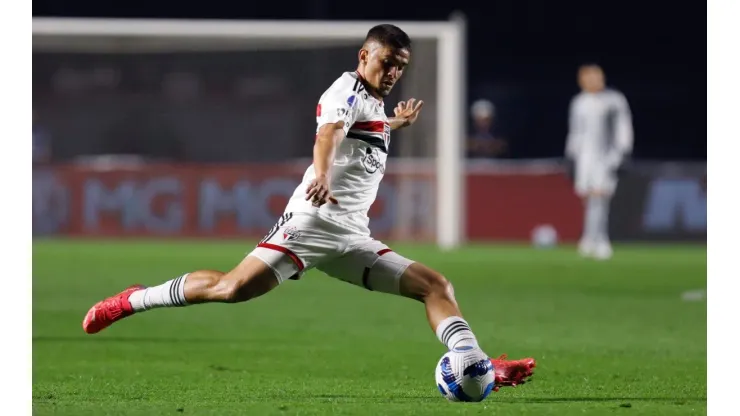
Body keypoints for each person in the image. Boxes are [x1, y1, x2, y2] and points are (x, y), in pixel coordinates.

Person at [82, 24, 535, 391]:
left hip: (352, 236)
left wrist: (397, 120)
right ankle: (133, 299)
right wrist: (320, 173)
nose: (394, 71)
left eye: (400, 66)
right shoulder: (346, 92)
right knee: (231, 289)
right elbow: (329, 134)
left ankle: (475, 363)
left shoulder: (374, 102)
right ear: (364, 56)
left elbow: (364, 126)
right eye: (387, 62)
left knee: (435, 285)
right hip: (313, 223)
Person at [565, 64, 634, 260]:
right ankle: (589, 238)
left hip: (606, 155)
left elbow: (623, 127)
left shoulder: (614, 101)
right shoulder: (579, 102)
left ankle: (601, 240)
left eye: (595, 77)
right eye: (586, 78)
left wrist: (624, 152)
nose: (592, 81)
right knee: (588, 199)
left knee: (600, 197)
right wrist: (570, 156)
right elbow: (575, 131)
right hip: (583, 157)